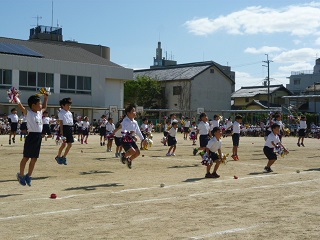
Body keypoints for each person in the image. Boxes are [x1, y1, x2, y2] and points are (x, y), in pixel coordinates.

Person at [15, 93, 49, 186]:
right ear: (33, 105)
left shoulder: (40, 112)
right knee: (26, 157)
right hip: (31, 137)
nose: (41, 105)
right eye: (39, 104)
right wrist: (17, 99)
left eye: (41, 103)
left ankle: (29, 175)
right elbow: (21, 107)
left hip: (38, 137)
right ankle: (21, 175)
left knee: (34, 158)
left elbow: (45, 107)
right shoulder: (28, 113)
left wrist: (46, 98)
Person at [120, 104, 147, 169]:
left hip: (131, 139)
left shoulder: (135, 122)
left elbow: (138, 131)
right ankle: (124, 155)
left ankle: (129, 160)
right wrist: (129, 134)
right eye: (133, 111)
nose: (135, 112)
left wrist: (143, 139)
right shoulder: (125, 121)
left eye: (135, 111)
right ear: (128, 113)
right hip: (125, 139)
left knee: (137, 153)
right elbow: (124, 131)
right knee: (133, 151)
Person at [55, 98, 74, 165]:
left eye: (70, 105)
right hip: (64, 129)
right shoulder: (61, 113)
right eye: (67, 105)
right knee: (63, 144)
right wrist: (61, 131)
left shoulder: (70, 113)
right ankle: (58, 156)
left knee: (70, 144)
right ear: (63, 105)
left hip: (69, 128)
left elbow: (71, 122)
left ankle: (64, 157)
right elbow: (61, 123)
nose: (69, 106)